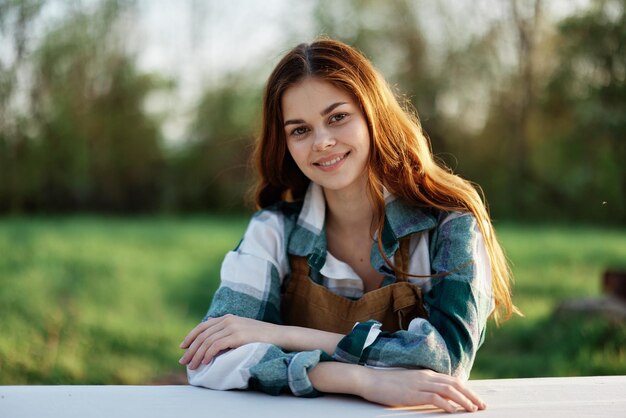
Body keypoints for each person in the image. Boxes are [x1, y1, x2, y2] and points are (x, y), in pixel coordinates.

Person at [179, 38, 515, 413]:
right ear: (286, 143)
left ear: (373, 115)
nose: (322, 142)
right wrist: (357, 379)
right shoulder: (272, 230)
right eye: (300, 130)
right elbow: (209, 358)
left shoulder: (451, 223)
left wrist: (281, 335)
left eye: (337, 117)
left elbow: (445, 361)